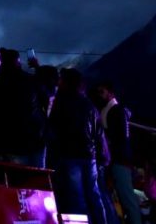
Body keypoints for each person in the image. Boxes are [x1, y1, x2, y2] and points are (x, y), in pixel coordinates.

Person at [47, 68, 108, 224]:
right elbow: (99, 132)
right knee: (94, 196)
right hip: (90, 157)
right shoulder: (89, 104)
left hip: (69, 157)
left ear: (65, 82)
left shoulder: (60, 103)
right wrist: (102, 156)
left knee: (77, 198)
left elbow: (53, 131)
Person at [92, 81, 142, 223]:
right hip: (120, 160)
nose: (99, 95)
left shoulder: (114, 111)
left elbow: (115, 138)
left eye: (102, 92)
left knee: (127, 200)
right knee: (124, 199)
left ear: (111, 93)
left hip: (119, 160)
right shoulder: (117, 110)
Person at [0, 50, 45, 167]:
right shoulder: (31, 81)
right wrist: (37, 67)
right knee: (40, 178)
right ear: (18, 62)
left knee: (20, 179)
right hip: (35, 138)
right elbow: (47, 94)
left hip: (12, 142)